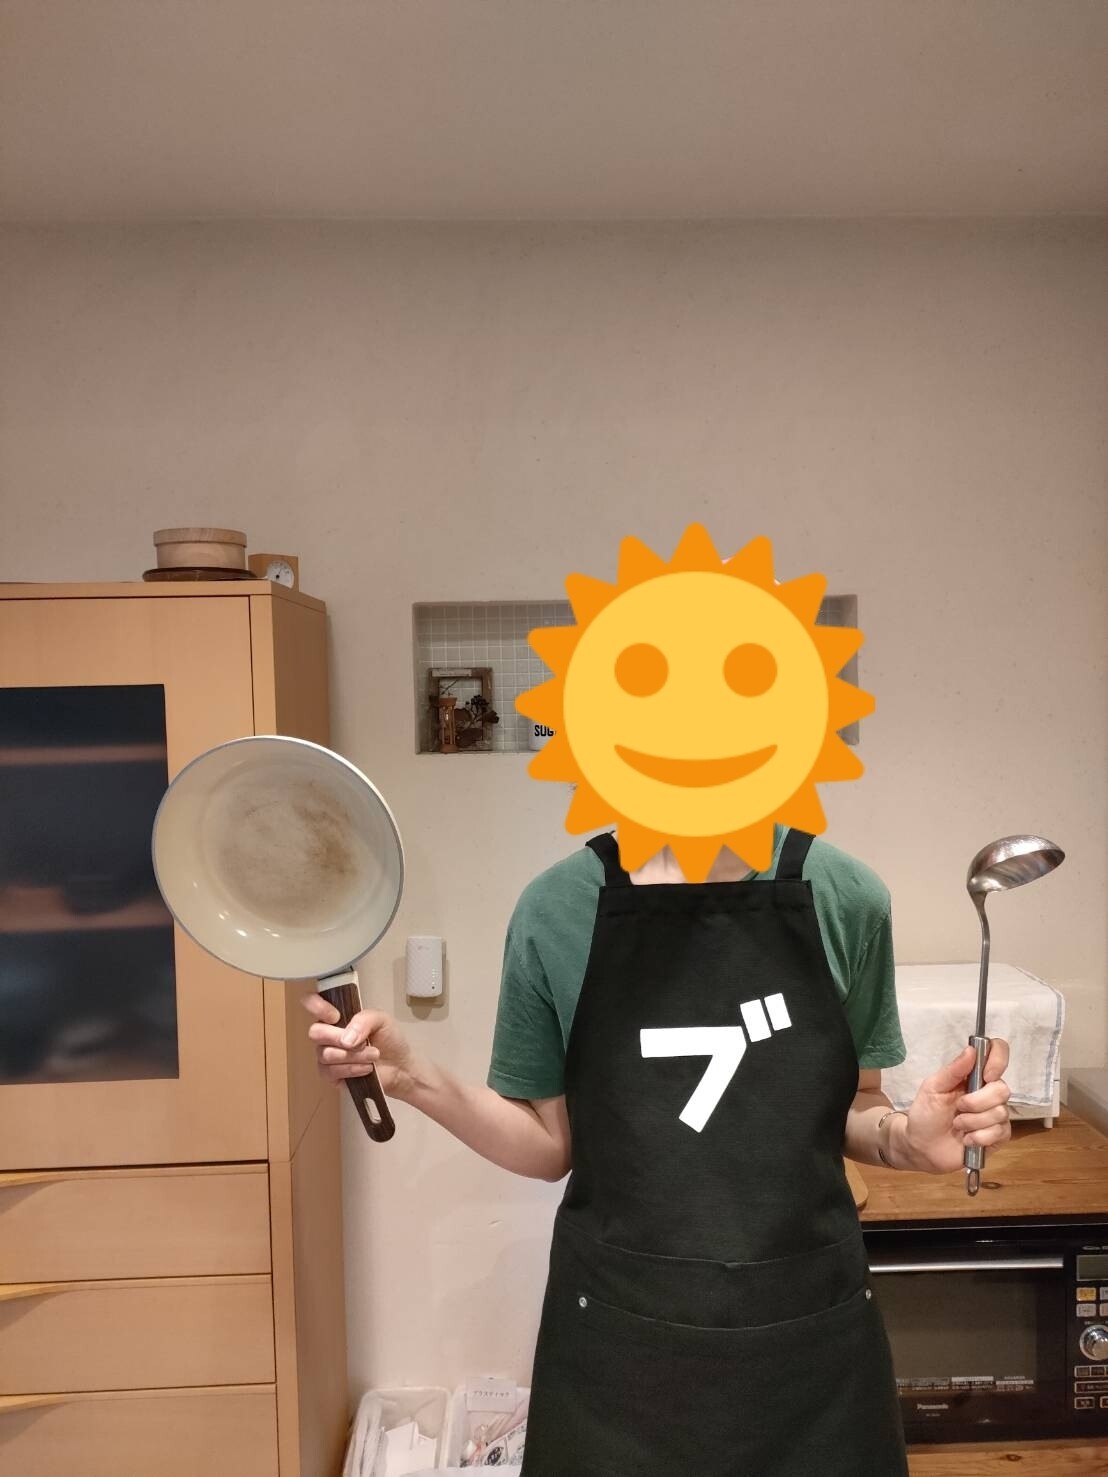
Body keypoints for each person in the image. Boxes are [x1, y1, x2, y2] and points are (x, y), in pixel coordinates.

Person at [302, 826, 1012, 1476]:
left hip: (810, 1347)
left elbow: (853, 1103)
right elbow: (550, 1145)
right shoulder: (557, 908)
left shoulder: (844, 896)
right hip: (618, 1352)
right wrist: (412, 1077)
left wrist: (905, 1140)